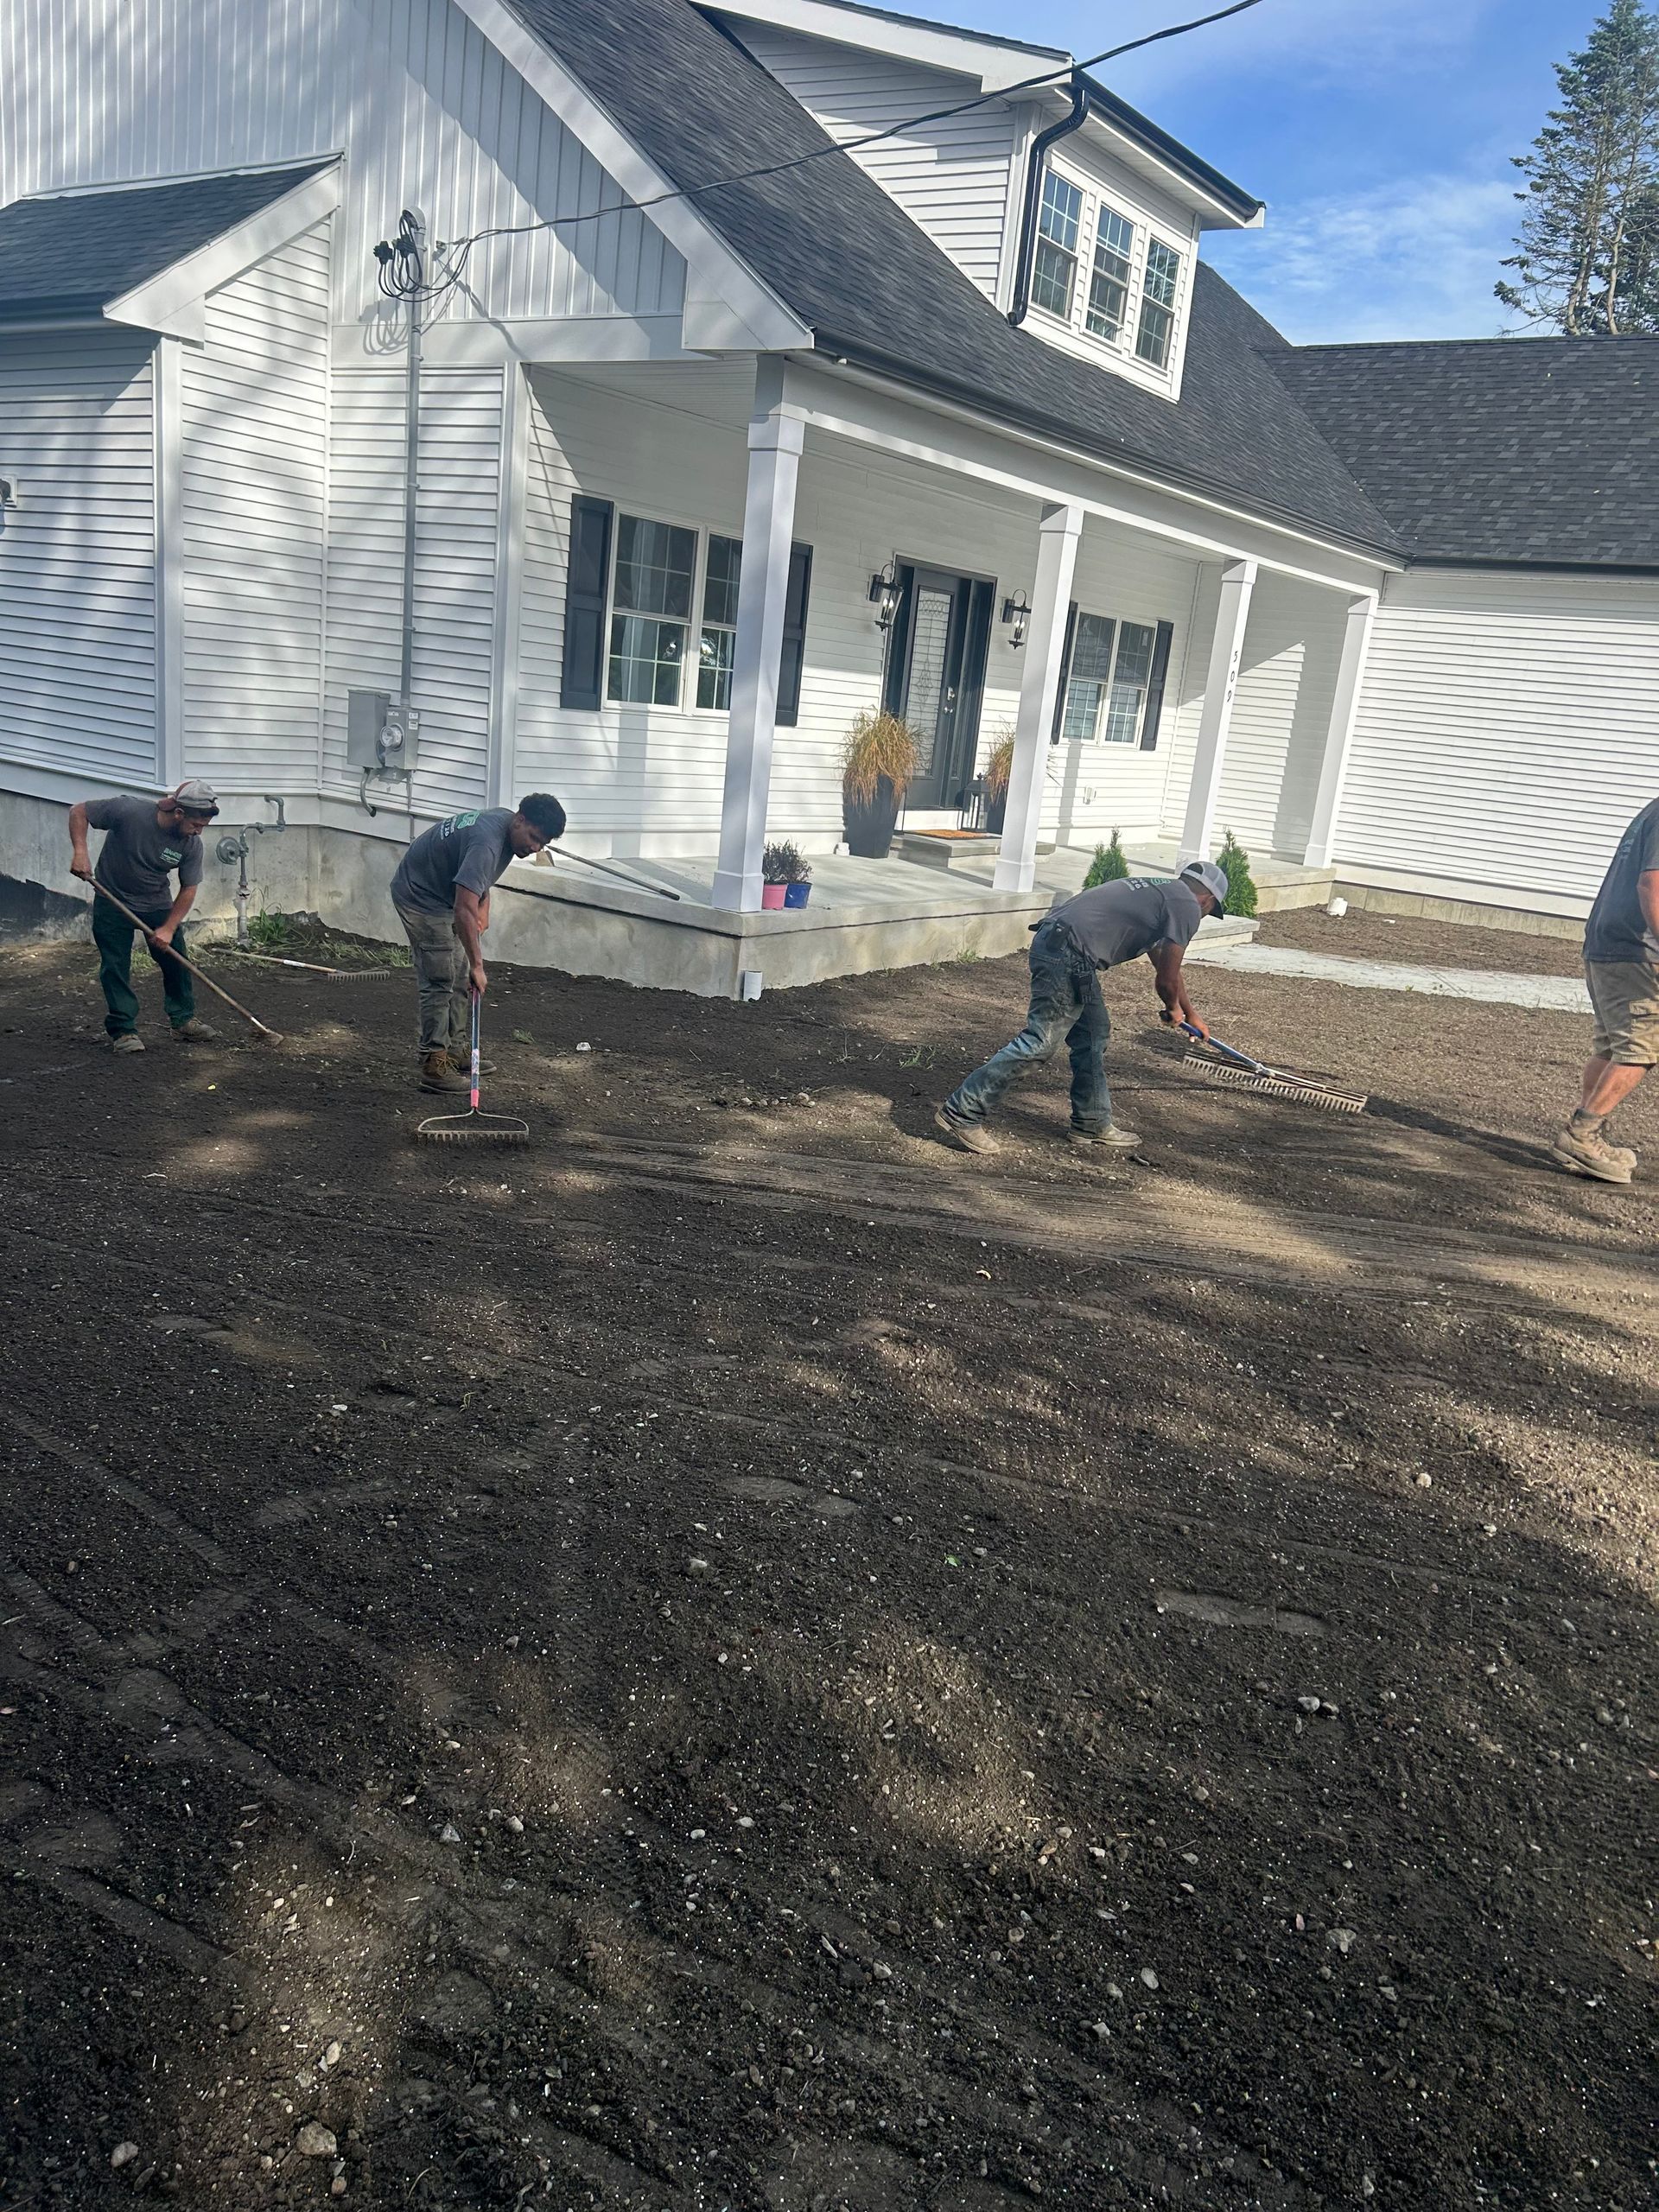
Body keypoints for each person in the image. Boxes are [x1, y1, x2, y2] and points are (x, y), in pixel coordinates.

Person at [935, 859, 1229, 1154]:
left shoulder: (1161, 892)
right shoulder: (1187, 906)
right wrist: (1173, 1008)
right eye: (1209, 911)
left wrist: (1190, 1013)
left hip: (1063, 948)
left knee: (1092, 1036)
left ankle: (1091, 1122)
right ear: (1207, 899)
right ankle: (962, 1111)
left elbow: (1165, 966)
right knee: (1040, 1042)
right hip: (1068, 954)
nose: (1203, 916)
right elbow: (1166, 980)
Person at [390, 795, 567, 1093]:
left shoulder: (506, 828)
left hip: (445, 894)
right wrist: (479, 964)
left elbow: (475, 883)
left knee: (459, 975)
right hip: (420, 896)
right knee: (440, 978)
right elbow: (463, 908)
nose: (535, 848)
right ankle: (434, 1064)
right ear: (520, 820)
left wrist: (484, 905)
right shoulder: (487, 840)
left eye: (542, 844)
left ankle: (456, 1050)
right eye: (534, 838)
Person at [67, 779, 221, 1053]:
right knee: (115, 965)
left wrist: (169, 928)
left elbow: (189, 888)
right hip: (112, 899)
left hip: (155, 903)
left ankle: (183, 1020)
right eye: (196, 825)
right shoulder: (129, 811)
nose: (198, 832)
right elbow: (79, 811)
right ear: (179, 813)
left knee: (177, 960)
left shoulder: (191, 845)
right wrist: (80, 851)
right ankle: (124, 1031)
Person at [1553, 796, 1659, 1185]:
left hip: (1608, 943)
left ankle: (1583, 1134)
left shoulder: (1653, 808)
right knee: (1643, 1046)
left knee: (1613, 1046)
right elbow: (1653, 883)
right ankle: (1582, 1135)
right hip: (1638, 950)